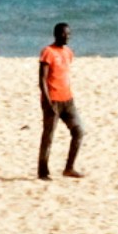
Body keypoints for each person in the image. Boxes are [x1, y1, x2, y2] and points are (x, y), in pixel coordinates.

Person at [36, 22, 84, 180]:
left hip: (68, 100)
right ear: (56, 34)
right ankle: (43, 171)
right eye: (64, 34)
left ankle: (69, 168)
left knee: (79, 131)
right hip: (53, 101)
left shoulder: (68, 52)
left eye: (69, 34)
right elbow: (42, 79)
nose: (67, 37)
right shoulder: (48, 52)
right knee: (48, 136)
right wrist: (48, 102)